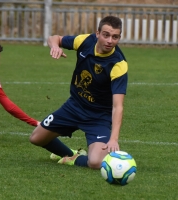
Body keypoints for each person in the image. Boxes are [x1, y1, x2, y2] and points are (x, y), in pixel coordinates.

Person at [29, 16, 128, 169]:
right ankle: (68, 153)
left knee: (95, 162)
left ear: (119, 38)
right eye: (106, 35)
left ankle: (74, 159)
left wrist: (114, 139)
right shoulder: (85, 41)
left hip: (98, 116)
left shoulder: (118, 64)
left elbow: (118, 106)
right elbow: (54, 38)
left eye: (115, 37)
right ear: (97, 33)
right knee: (36, 138)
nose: (110, 40)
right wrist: (54, 46)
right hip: (73, 107)